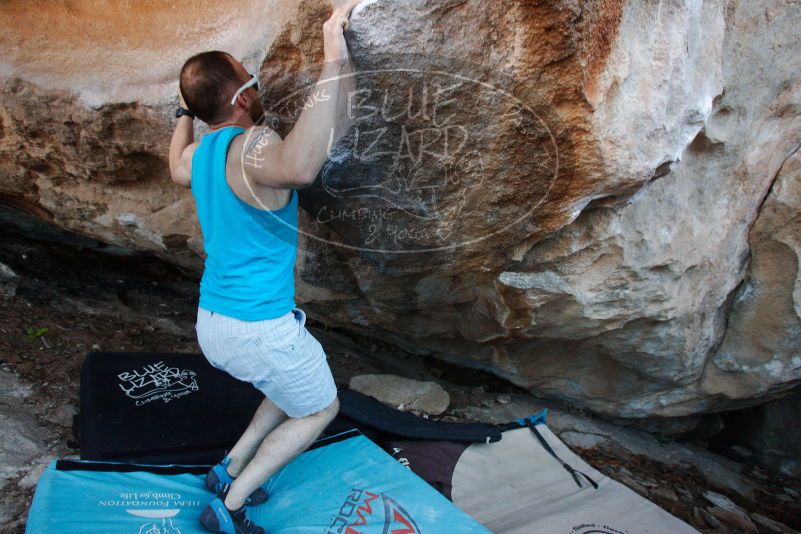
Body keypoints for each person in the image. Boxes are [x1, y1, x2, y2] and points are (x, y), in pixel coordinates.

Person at [167, 1, 361, 532]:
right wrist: (331, 53)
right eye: (249, 77)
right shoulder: (254, 145)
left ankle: (228, 468)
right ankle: (229, 509)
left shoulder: (201, 155)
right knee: (318, 409)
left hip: (214, 321)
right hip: (259, 326)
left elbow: (174, 165)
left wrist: (184, 114)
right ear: (243, 95)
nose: (257, 84)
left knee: (284, 388)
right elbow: (299, 166)